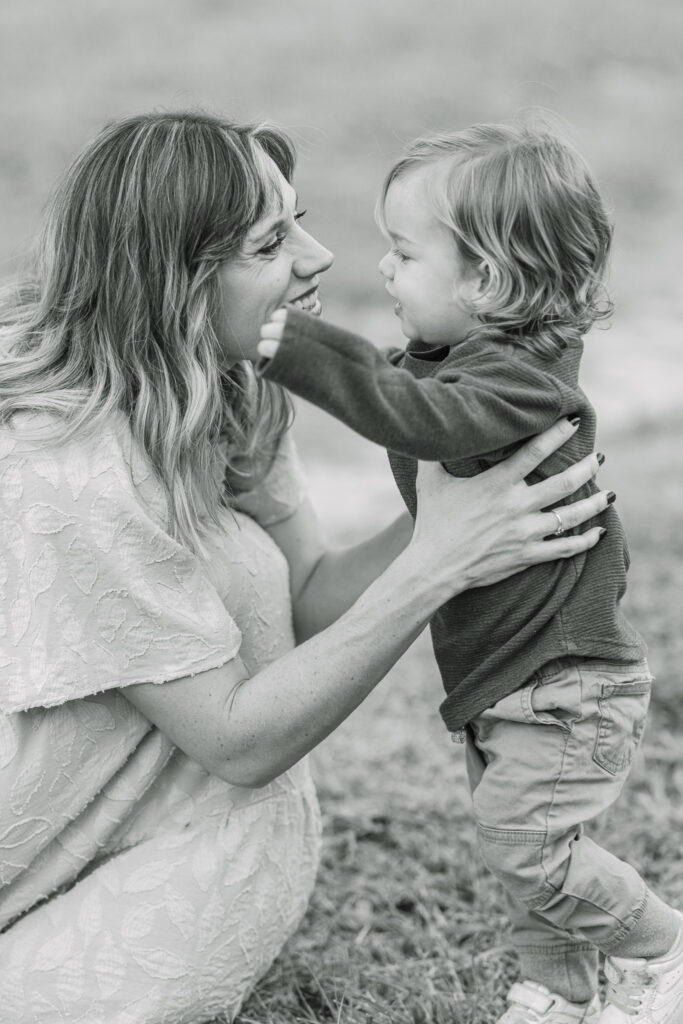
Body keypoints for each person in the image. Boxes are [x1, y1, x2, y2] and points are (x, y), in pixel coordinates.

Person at [0, 111, 610, 1024]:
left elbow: (310, 593)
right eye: (268, 242)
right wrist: (439, 564)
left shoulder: (224, 383)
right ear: (173, 281)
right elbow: (237, 743)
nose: (318, 256)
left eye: (299, 221)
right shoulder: (67, 464)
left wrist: (473, 498)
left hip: (195, 806)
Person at [258, 121, 683, 1024]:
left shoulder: (521, 383)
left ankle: (661, 946)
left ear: (486, 282)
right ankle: (558, 991)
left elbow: (415, 416)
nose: (381, 269)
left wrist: (292, 344)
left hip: (563, 681)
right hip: (509, 678)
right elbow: (409, 391)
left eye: (404, 252)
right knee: (523, 846)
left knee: (528, 846)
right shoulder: (472, 364)